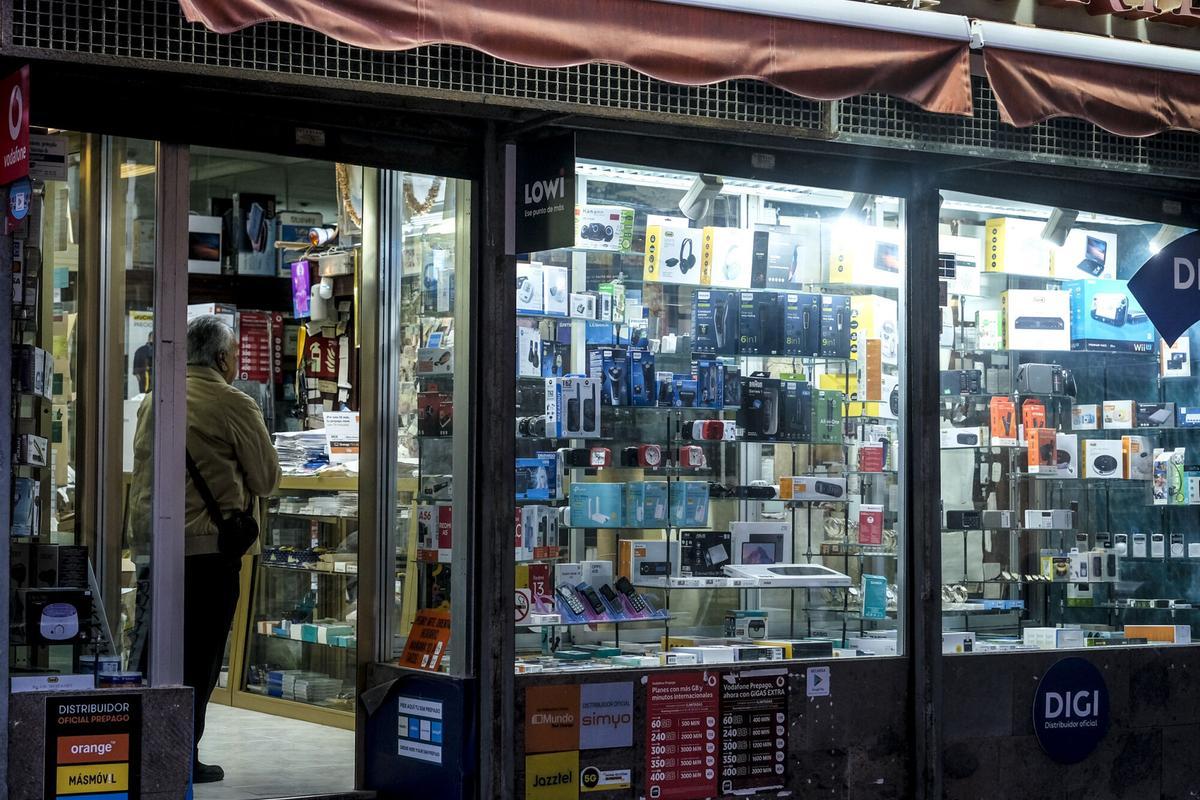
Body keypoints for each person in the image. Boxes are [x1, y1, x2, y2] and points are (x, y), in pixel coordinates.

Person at [129, 315, 280, 784]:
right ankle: (180, 754)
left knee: (154, 652)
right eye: (233, 354)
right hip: (206, 550)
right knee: (200, 657)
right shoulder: (232, 401)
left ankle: (141, 748)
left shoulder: (156, 400)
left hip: (154, 544)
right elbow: (267, 479)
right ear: (221, 358)